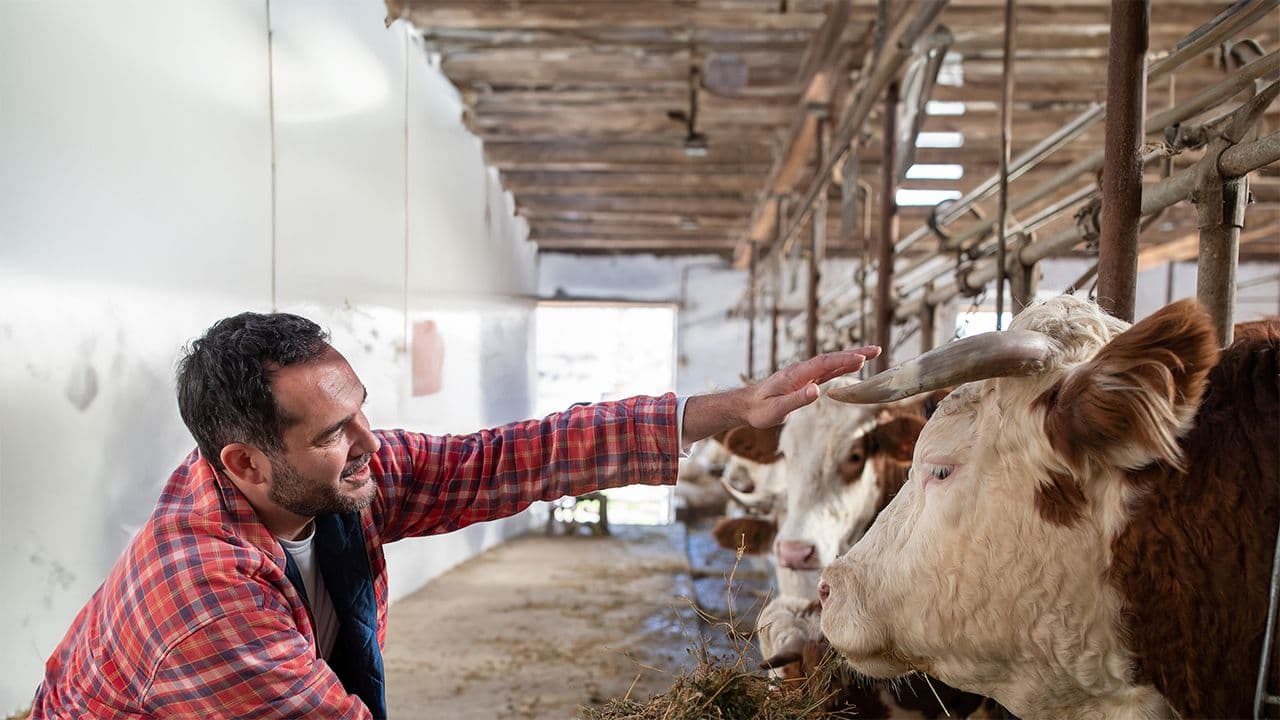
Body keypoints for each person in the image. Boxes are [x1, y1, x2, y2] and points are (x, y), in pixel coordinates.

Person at [29, 311, 878, 719]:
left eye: (362, 408)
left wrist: (724, 409)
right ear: (246, 464)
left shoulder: (317, 478)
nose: (371, 441)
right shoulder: (208, 604)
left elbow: (515, 457)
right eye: (336, 431)